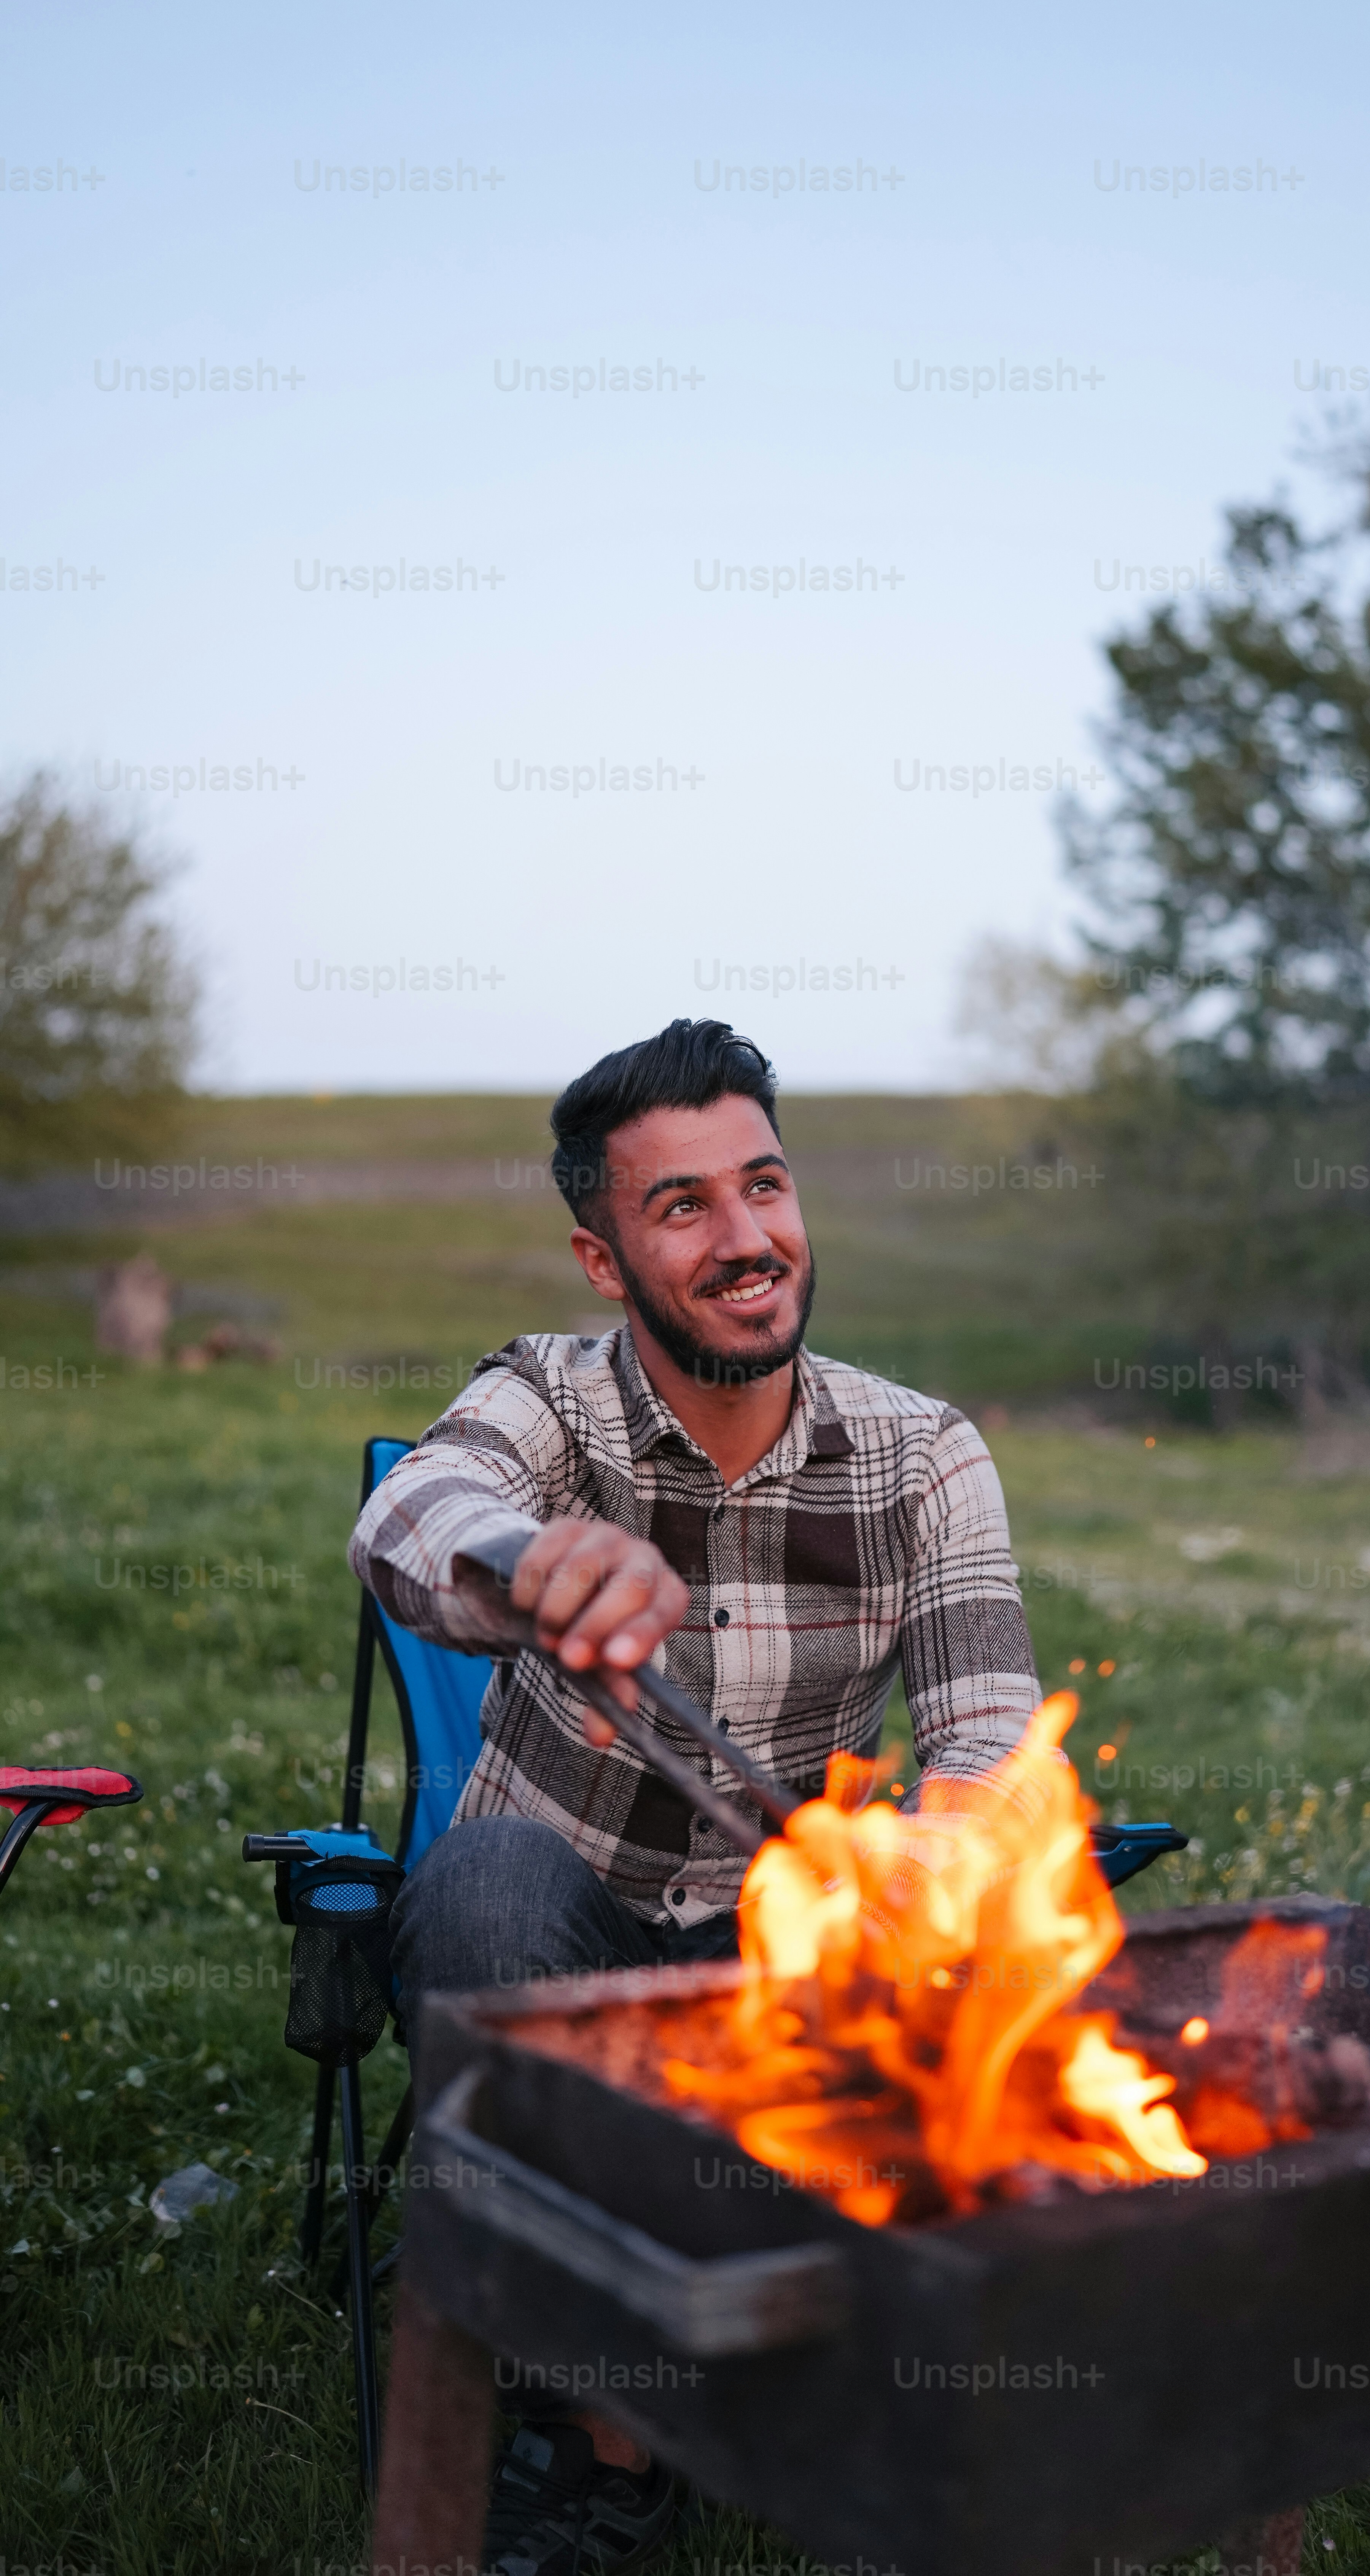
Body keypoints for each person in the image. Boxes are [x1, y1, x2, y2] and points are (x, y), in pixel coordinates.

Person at [351, 1016, 1041, 2576]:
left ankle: (825, 2365)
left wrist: (942, 1851)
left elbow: (989, 1733)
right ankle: (604, 2443)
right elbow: (414, 1509)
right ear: (602, 1257)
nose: (749, 1242)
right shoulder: (552, 1400)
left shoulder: (923, 1456)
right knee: (483, 1889)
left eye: (767, 1186)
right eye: (683, 1208)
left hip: (782, 1979)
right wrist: (523, 1561)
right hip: (563, 1965)